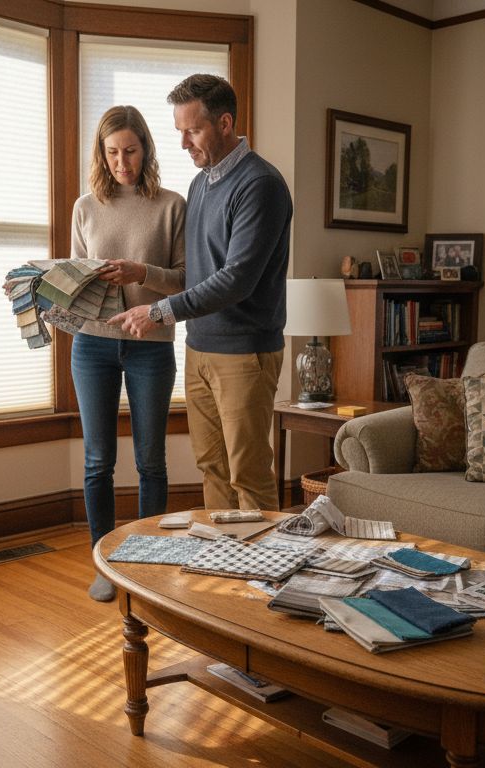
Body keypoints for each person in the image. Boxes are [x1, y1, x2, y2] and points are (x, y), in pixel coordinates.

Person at [109, 74, 292, 514]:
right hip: (200, 348)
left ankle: (260, 577)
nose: (184, 144)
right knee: (211, 466)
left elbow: (236, 279)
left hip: (245, 353)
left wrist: (161, 312)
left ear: (225, 123)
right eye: (180, 132)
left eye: (192, 131)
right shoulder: (201, 184)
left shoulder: (260, 184)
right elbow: (195, 274)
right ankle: (227, 570)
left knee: (247, 472)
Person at [72, 105, 185, 602]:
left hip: (150, 346)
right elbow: (72, 282)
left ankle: (145, 559)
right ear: (102, 153)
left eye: (131, 151)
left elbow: (188, 281)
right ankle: (104, 562)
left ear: (146, 149)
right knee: (98, 461)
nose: (122, 162)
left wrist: (143, 273)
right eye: (112, 152)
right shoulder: (85, 207)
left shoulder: (171, 206)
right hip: (92, 345)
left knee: (150, 462)